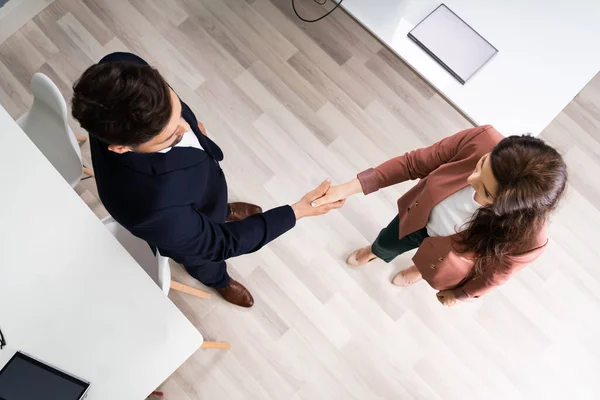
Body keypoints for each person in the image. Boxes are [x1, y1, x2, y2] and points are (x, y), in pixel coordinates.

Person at [71, 52, 344, 308]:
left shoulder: (121, 67)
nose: (187, 129)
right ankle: (219, 281)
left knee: (211, 200)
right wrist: (297, 211)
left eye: (176, 112)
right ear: (121, 147)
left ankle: (222, 210)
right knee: (205, 261)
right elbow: (221, 244)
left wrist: (190, 130)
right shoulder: (153, 211)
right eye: (172, 137)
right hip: (186, 229)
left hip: (198, 189)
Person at [312, 125, 567, 306]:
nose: (471, 179)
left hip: (451, 251)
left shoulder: (530, 239)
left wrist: (460, 295)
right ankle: (376, 251)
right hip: (420, 217)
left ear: (508, 211)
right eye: (481, 165)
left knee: (432, 266)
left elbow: (495, 276)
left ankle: (419, 270)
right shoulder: (481, 139)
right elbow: (413, 163)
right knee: (388, 240)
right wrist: (346, 188)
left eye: (485, 191)